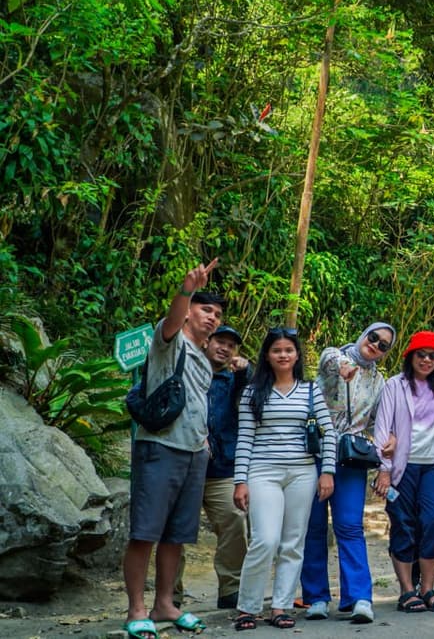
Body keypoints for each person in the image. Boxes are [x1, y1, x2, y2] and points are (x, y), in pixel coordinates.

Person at [122, 259, 221, 639]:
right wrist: (187, 290)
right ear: (190, 312)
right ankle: (136, 608)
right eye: (205, 310)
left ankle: (164, 603)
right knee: (145, 532)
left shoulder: (205, 360)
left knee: (176, 535)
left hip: (194, 452)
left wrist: (204, 443)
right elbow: (172, 320)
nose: (212, 318)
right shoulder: (170, 342)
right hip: (161, 447)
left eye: (217, 314)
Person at [232, 327, 337, 630]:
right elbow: (245, 438)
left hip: (302, 473)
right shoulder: (252, 392)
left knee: (293, 542)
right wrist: (240, 481)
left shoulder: (310, 390)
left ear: (297, 355)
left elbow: (328, 433)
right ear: (267, 355)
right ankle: (248, 607)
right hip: (262, 472)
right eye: (276, 350)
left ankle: (281, 606)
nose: (283, 355)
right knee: (265, 539)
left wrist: (327, 471)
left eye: (288, 350)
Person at [301, 322, 396, 623]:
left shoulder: (379, 381)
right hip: (316, 452)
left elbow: (377, 421)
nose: (375, 345)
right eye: (373, 338)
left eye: (383, 345)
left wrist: (390, 440)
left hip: (350, 457)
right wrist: (344, 367)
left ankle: (359, 597)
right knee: (314, 526)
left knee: (350, 526)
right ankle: (316, 597)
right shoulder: (335, 354)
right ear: (364, 335)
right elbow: (331, 362)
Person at [372, 331, 434, 614]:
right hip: (402, 468)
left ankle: (428, 588)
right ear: (410, 356)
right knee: (403, 524)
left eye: (432, 356)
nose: (426, 360)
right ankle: (406, 590)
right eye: (421, 355)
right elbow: (382, 428)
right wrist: (384, 469)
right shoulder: (395, 385)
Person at [198, 325, 252, 610]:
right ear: (207, 341)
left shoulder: (234, 380)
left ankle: (231, 587)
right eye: (220, 341)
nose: (225, 348)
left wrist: (245, 371)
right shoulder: (190, 370)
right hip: (187, 464)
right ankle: (171, 594)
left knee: (234, 519)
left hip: (223, 467)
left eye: (231, 345)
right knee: (176, 529)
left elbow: (253, 395)